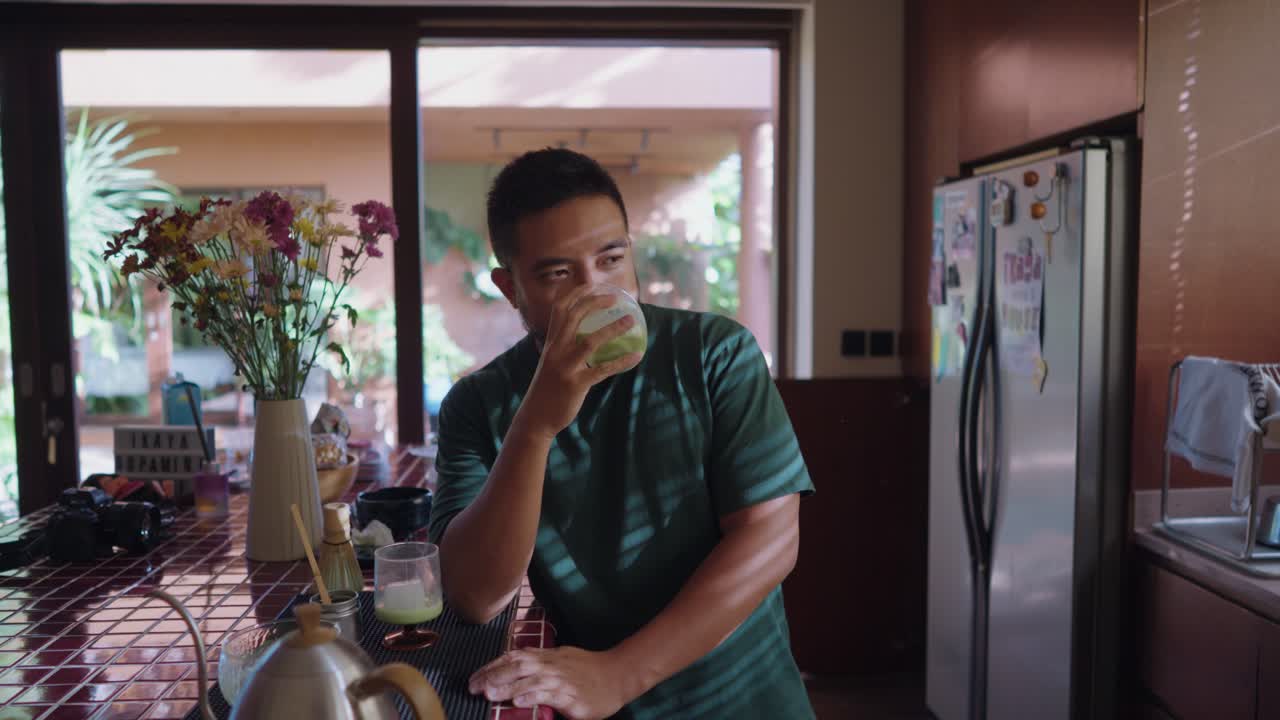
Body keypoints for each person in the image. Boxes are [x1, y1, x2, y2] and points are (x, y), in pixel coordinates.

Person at [429, 148, 815, 720]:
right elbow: (475, 596)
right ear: (510, 289)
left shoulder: (714, 354)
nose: (596, 290)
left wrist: (621, 672)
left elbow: (771, 540)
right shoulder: (478, 405)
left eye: (611, 260)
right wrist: (535, 425)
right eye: (559, 274)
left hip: (747, 704)